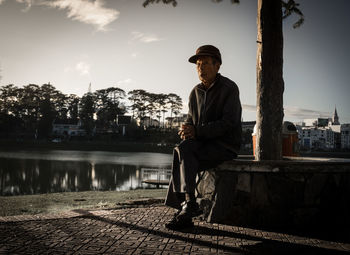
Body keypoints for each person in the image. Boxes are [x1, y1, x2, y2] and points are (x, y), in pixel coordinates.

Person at [165, 45, 242, 230]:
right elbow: (191, 120)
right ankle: (188, 205)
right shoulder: (195, 92)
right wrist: (187, 130)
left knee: (183, 154)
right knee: (181, 150)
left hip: (225, 146)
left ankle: (186, 207)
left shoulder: (229, 88)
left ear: (217, 66)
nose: (201, 68)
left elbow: (229, 123)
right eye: (198, 64)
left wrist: (197, 132)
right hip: (202, 145)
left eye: (206, 63)